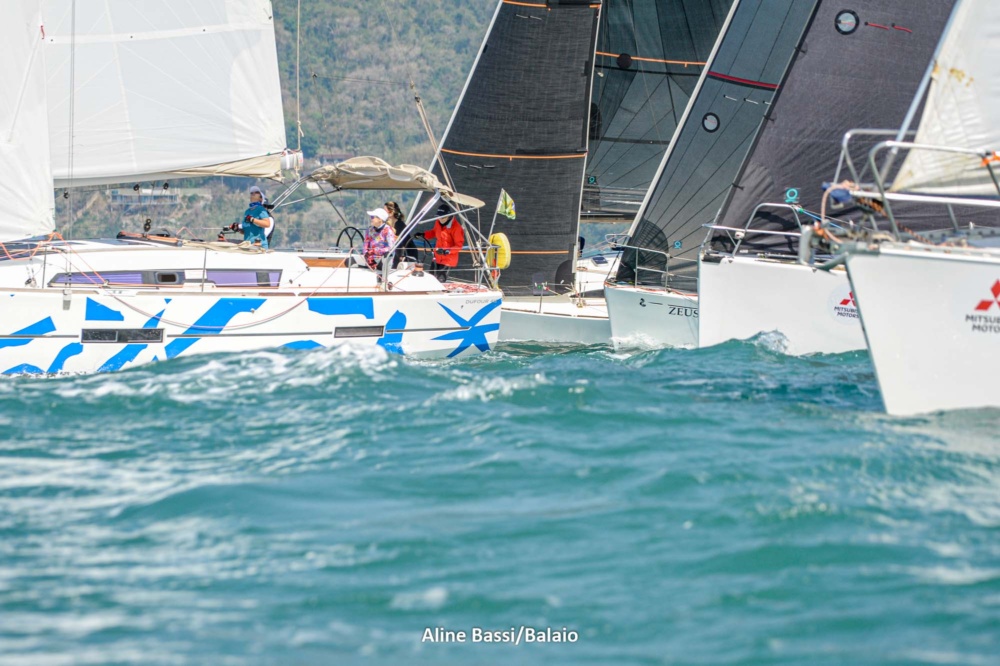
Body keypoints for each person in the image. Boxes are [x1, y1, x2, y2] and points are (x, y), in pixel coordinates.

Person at [421, 204, 464, 283]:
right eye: (439, 217)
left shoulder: (456, 227)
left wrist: (447, 251)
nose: (440, 219)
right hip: (437, 257)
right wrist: (423, 235)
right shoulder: (438, 222)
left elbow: (459, 246)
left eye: (443, 217)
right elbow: (434, 232)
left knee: (439, 281)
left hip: (448, 260)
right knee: (430, 279)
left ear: (449, 216)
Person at [386, 201, 417, 265]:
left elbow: (400, 242)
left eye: (385, 211)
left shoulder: (400, 225)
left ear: (391, 212)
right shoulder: (389, 224)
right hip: (396, 254)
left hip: (407, 255)